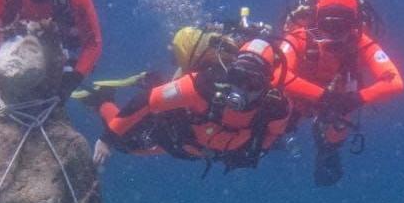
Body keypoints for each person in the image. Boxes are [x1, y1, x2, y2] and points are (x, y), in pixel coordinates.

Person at [91, 39, 292, 173]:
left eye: (253, 83)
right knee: (126, 145)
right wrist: (106, 139)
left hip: (195, 150)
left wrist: (257, 150)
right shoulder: (204, 85)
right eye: (237, 77)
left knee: (132, 145)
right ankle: (101, 99)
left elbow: (272, 135)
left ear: (267, 84)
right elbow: (147, 101)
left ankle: (155, 81)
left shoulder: (274, 108)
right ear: (228, 72)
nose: (241, 88)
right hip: (173, 135)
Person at [278, 0, 404, 186]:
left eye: (342, 26)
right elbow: (277, 75)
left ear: (354, 24)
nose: (335, 33)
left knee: (338, 127)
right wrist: (322, 96)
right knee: (273, 113)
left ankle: (328, 149)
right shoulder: (300, 36)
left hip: (337, 101)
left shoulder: (361, 42)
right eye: (328, 25)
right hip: (299, 97)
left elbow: (395, 82)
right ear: (316, 21)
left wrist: (356, 99)